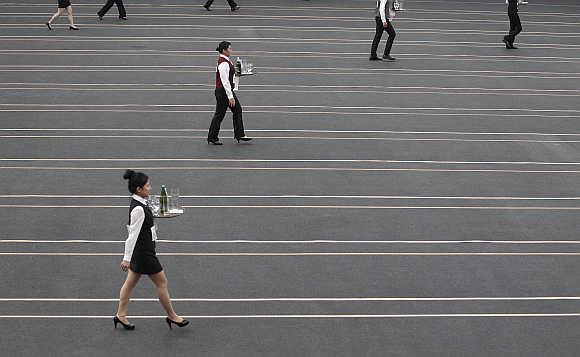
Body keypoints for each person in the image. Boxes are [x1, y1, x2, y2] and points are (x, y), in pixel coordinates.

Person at [114, 170, 189, 330]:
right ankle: (172, 316)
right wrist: (126, 258)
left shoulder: (141, 203)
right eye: (148, 185)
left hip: (142, 251)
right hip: (144, 253)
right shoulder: (138, 209)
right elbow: (132, 235)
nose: (150, 187)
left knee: (130, 283)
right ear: (139, 189)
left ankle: (120, 315)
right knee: (162, 282)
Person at [207, 41, 252, 145]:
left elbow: (230, 76)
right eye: (230, 48)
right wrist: (230, 96)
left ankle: (238, 134)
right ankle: (213, 137)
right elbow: (224, 81)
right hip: (223, 92)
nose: (231, 50)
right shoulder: (223, 63)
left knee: (235, 111)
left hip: (225, 92)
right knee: (221, 114)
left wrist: (239, 73)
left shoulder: (226, 61)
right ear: (224, 50)